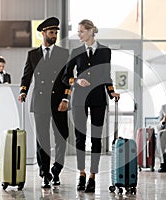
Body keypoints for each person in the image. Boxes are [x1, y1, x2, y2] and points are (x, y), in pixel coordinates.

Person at [62, 19, 120, 193]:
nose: (79, 34)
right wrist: (77, 80)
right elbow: (65, 77)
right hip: (79, 99)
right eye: (78, 31)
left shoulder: (105, 51)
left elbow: (106, 75)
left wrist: (112, 92)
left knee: (96, 139)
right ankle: (81, 174)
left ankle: (92, 177)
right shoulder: (76, 51)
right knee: (80, 138)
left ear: (90, 32)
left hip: (97, 99)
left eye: (81, 31)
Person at [18, 17, 70, 189]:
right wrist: (23, 91)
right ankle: (45, 174)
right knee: (42, 140)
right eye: (51, 32)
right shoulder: (32, 55)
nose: (54, 35)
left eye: (55, 32)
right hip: (40, 102)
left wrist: (65, 98)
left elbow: (67, 78)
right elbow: (27, 75)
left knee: (61, 137)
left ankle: (57, 170)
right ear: (43, 33)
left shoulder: (63, 53)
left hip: (58, 102)